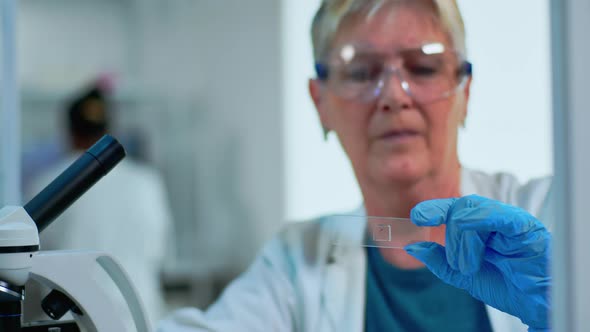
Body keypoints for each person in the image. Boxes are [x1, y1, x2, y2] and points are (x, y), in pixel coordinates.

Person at [158, 0, 551, 331]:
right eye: (361, 72)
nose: (394, 96)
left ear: (465, 90)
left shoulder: (553, 215)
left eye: (423, 67)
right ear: (320, 103)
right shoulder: (296, 264)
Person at [26, 80, 174, 328]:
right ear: (109, 132)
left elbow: (33, 263)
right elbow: (161, 255)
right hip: (138, 319)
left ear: (69, 132)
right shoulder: (148, 183)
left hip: (75, 322)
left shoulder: (46, 187)